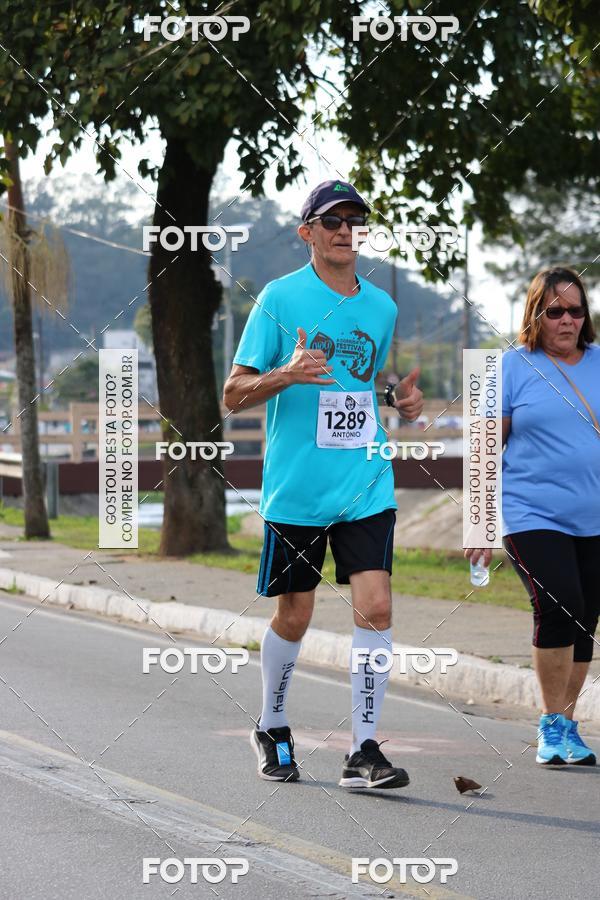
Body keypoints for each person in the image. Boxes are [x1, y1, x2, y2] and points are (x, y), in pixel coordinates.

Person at [223, 179, 423, 788]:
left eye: (354, 220)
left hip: (365, 480)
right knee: (296, 612)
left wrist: (398, 399)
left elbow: (368, 377)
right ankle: (273, 724)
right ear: (306, 232)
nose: (344, 230)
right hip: (298, 489)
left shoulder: (382, 307)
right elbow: (233, 394)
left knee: (377, 606)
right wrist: (284, 373)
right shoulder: (280, 300)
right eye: (331, 220)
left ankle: (364, 748)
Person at [466, 266, 600, 766]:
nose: (567, 320)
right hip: (531, 513)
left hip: (593, 515)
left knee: (585, 617)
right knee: (559, 602)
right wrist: (477, 526)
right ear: (535, 315)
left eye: (576, 309)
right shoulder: (507, 367)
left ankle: (568, 724)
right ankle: (548, 724)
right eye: (555, 311)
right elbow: (482, 451)